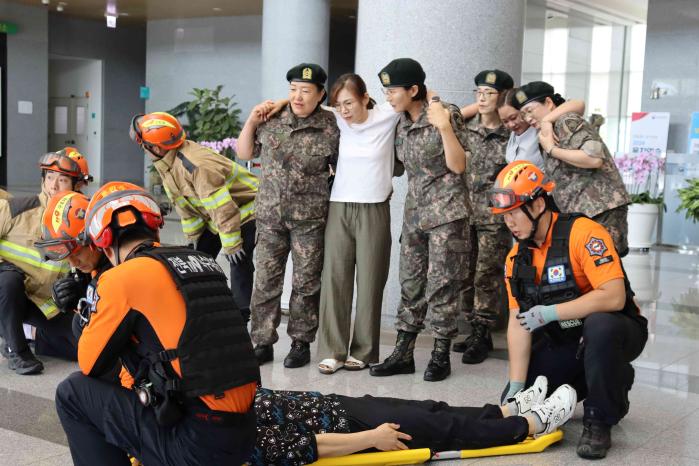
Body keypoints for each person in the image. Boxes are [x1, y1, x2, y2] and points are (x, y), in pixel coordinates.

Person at [54, 181, 260, 466]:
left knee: (72, 393)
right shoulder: (203, 262)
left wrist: (86, 309)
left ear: (103, 242)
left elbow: (90, 363)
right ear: (155, 227)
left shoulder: (121, 277)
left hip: (197, 444)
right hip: (244, 432)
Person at [490, 161, 648, 459]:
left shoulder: (584, 233)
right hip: (566, 341)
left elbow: (613, 297)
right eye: (503, 216)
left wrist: (551, 313)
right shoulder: (516, 259)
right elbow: (517, 323)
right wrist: (516, 385)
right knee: (525, 403)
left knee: (601, 325)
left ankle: (599, 418)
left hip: (616, 331)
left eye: (512, 213)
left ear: (537, 204)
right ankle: (606, 379)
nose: (508, 223)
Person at [250, 73, 401, 374]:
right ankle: (332, 350)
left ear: (365, 98)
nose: (344, 109)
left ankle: (364, 351)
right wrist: (281, 101)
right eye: (339, 104)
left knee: (370, 281)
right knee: (334, 280)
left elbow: (419, 97)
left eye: (349, 103)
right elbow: (301, 103)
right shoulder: (335, 121)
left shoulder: (387, 115)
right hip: (338, 206)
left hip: (375, 206)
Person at [369, 58, 469, 382]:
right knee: (410, 283)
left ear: (413, 89)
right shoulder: (400, 122)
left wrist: (443, 126)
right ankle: (403, 352)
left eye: (393, 90)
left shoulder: (446, 114)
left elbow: (458, 165)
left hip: (447, 215)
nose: (388, 96)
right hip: (414, 215)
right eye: (385, 90)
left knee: (442, 285)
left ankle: (440, 353)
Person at [237, 63, 340, 368]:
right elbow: (244, 153)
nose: (297, 96)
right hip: (270, 216)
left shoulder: (332, 127)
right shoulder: (271, 118)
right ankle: (262, 341)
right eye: (293, 89)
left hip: (310, 219)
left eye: (305, 91)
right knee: (266, 280)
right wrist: (251, 122)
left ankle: (300, 342)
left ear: (320, 94)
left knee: (306, 282)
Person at [250, 376, 576, 465]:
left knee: (429, 408)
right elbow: (307, 446)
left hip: (335, 405)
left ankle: (506, 412)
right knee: (438, 428)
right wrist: (372, 439)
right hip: (349, 431)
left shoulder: (209, 397)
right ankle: (531, 424)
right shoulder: (224, 440)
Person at [130, 111, 258, 322]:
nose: (143, 149)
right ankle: (200, 305)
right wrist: (192, 240)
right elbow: (187, 207)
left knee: (239, 258)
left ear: (156, 147)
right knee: (196, 257)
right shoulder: (167, 161)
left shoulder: (196, 165)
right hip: (217, 215)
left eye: (144, 145)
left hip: (248, 208)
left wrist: (232, 244)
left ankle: (239, 315)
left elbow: (222, 208)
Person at [512, 81, 631, 256]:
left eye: (530, 111)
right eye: (523, 114)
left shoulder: (567, 121)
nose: (528, 119)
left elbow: (594, 158)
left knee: (606, 266)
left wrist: (553, 150)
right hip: (584, 211)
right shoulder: (549, 130)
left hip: (601, 208)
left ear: (549, 103)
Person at [0, 149, 90, 374]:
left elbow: (88, 267)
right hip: (8, 294)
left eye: (62, 180)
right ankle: (16, 348)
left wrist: (76, 288)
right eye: (50, 177)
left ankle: (26, 332)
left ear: (76, 185)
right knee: (8, 280)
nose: (54, 186)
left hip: (43, 305)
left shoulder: (81, 221)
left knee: (82, 346)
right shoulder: (16, 209)